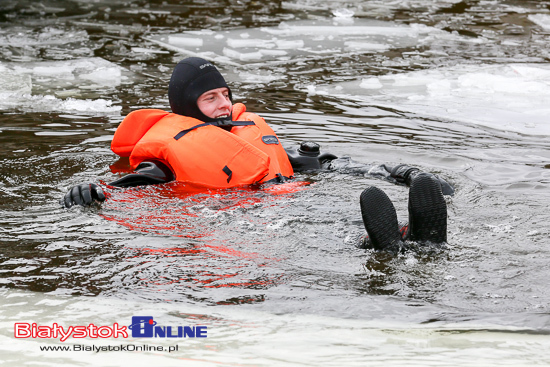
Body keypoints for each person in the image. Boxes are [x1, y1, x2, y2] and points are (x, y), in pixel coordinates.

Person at [62, 57, 452, 253]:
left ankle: (409, 235)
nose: (223, 104)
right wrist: (94, 190)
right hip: (240, 216)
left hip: (287, 198)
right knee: (311, 230)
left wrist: (399, 172)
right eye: (210, 98)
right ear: (186, 107)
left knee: (320, 212)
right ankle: (378, 243)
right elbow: (135, 182)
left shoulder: (249, 133)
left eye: (225, 95)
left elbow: (323, 164)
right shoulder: (169, 153)